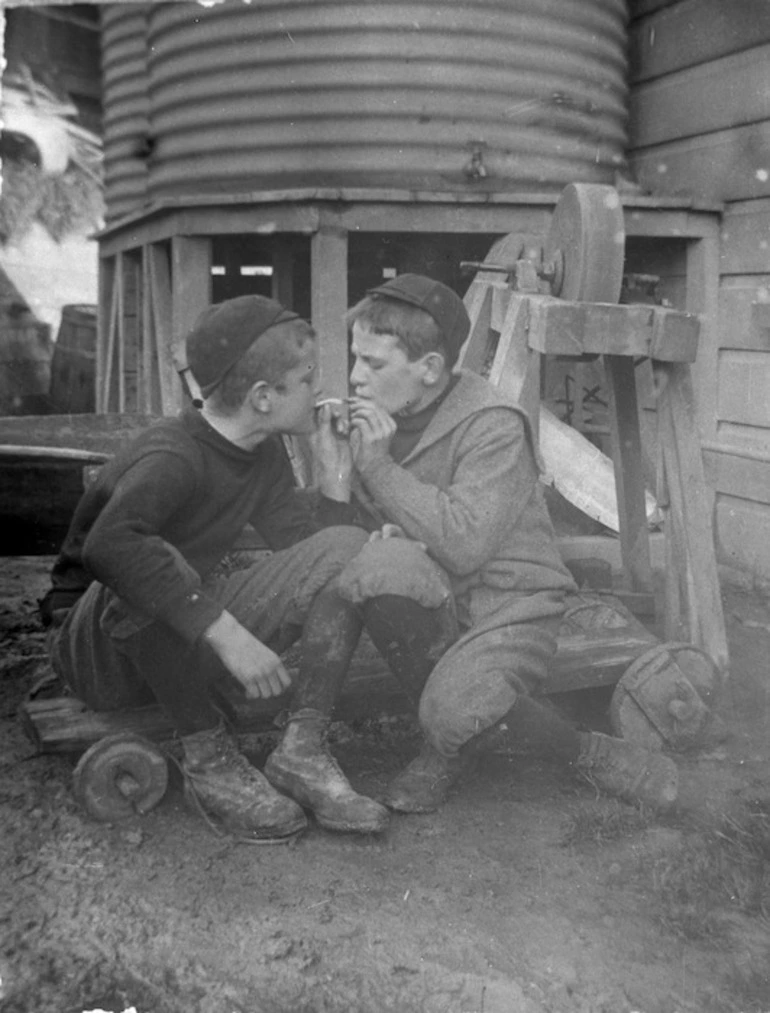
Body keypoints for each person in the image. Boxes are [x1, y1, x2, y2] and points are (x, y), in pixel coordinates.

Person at [264, 274, 679, 817]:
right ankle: (434, 737)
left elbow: (463, 544)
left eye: (375, 364)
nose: (356, 378)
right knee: (378, 566)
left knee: (451, 711)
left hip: (509, 609)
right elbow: (346, 550)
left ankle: (584, 753)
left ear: (431, 369)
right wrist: (336, 479)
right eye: (356, 359)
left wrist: (378, 468)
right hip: (432, 604)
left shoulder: (494, 425)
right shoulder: (375, 425)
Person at [41, 295, 393, 841]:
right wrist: (227, 634)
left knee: (346, 545)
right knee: (153, 557)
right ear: (261, 397)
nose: (319, 391)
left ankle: (302, 747)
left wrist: (333, 480)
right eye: (306, 379)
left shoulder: (263, 450)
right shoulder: (174, 455)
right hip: (99, 655)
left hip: (177, 639)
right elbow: (109, 549)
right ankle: (207, 758)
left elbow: (311, 552)